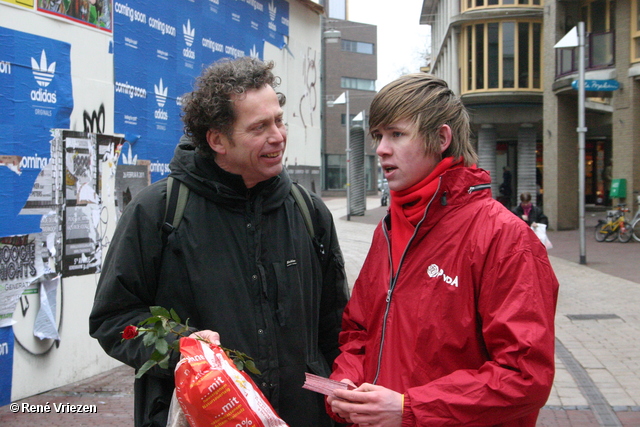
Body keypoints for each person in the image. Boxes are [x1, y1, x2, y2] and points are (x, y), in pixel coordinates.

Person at [89, 57, 349, 427]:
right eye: (259, 127)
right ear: (217, 140)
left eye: (278, 119)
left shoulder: (309, 212)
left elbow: (335, 325)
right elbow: (114, 319)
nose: (277, 135)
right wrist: (186, 347)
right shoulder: (157, 212)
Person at [326, 74, 559, 426]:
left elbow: (524, 376)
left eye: (396, 134)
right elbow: (359, 330)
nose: (381, 149)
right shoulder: (387, 231)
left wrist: (410, 409)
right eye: (378, 136)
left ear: (441, 139)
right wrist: (347, 378)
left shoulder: (504, 238)